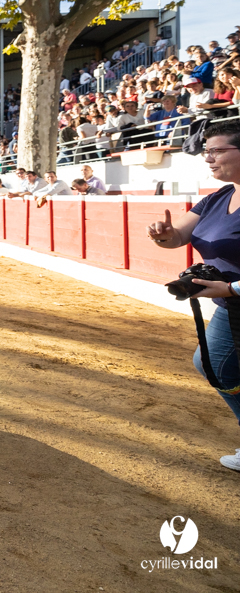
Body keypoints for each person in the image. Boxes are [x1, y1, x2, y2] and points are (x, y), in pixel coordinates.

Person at [147, 121, 240, 472]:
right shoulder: (217, 197)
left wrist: (233, 288)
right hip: (229, 303)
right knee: (213, 363)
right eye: (207, 152)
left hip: (232, 297)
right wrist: (163, 235)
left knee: (213, 363)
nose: (209, 159)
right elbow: (176, 237)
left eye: (216, 151)